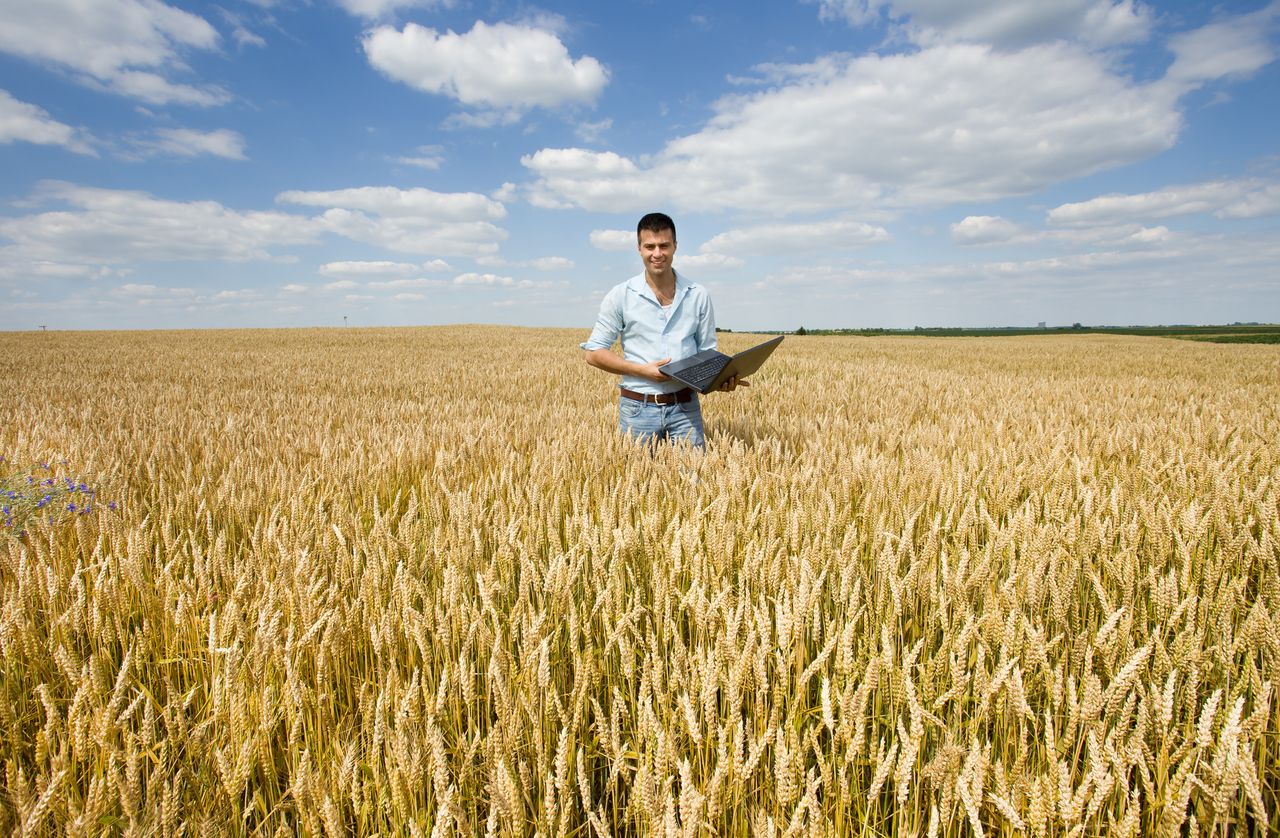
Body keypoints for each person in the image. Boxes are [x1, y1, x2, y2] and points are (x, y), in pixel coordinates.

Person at [580, 212, 747, 447]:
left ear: (675, 246)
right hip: (638, 408)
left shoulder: (698, 294)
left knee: (693, 480)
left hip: (685, 408)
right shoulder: (620, 295)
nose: (657, 254)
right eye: (650, 246)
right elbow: (594, 353)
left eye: (664, 246)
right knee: (637, 482)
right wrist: (642, 371)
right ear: (639, 248)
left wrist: (719, 380)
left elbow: (708, 352)